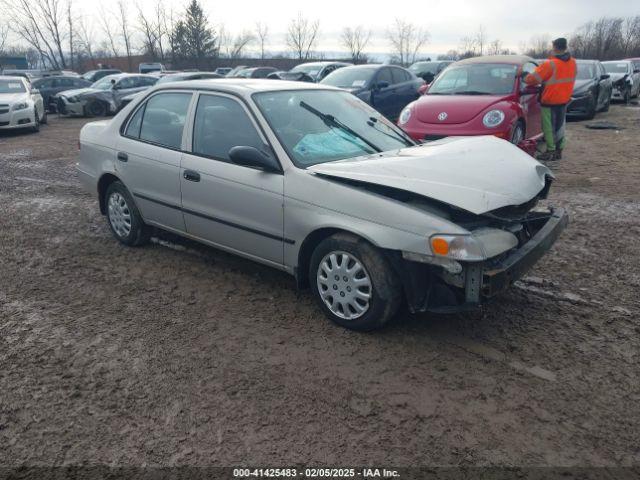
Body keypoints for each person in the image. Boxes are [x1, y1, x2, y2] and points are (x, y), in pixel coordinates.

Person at [524, 37, 577, 161]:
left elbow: (532, 79)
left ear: (555, 48)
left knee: (548, 127)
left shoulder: (550, 64)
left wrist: (524, 75)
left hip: (550, 101)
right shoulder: (573, 62)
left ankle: (550, 151)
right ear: (565, 47)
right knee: (560, 127)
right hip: (563, 100)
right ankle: (559, 150)